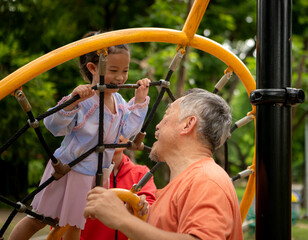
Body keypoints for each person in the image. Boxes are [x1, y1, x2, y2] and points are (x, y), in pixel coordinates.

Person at [9, 31, 151, 240]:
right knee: (40, 218)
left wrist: (139, 102)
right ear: (92, 68)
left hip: (94, 175)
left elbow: (126, 131)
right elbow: (53, 125)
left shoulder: (120, 102)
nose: (121, 77)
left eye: (125, 70)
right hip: (69, 170)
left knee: (75, 224)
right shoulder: (85, 99)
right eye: (113, 70)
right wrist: (73, 101)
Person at [84, 88, 243, 240]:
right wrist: (138, 224)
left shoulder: (207, 180)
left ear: (187, 124)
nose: (158, 125)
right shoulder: (187, 183)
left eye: (167, 115)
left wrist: (122, 219)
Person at [80, 134, 156, 240]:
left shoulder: (141, 174)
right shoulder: (79, 173)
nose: (118, 133)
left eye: (123, 124)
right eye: (113, 123)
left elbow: (151, 216)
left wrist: (143, 208)